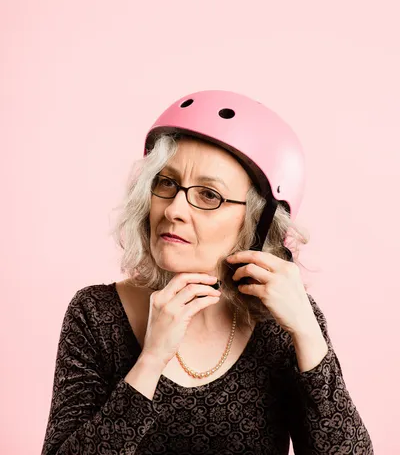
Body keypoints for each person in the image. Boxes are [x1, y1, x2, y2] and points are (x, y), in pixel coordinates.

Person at [41, 89, 374, 454]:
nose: (174, 211)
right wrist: (150, 362)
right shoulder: (96, 315)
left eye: (208, 195)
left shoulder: (282, 324)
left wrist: (308, 333)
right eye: (167, 183)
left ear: (257, 221)